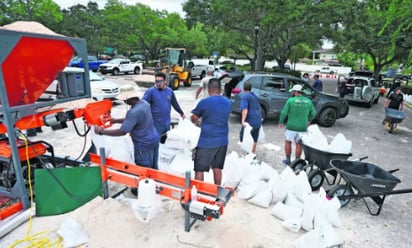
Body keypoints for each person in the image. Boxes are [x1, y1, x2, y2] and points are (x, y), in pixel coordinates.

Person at [94, 94, 160, 170]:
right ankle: (156, 181)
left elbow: (122, 131)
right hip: (154, 139)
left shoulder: (133, 112)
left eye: (124, 100)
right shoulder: (144, 104)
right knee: (154, 167)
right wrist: (115, 120)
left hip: (143, 145)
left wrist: (101, 132)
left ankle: (148, 181)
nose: (124, 102)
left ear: (129, 98)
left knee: (144, 170)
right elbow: (132, 120)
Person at [191, 78, 231, 185]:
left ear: (209, 89)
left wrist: (198, 122)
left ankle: (199, 193)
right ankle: (216, 191)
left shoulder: (204, 102)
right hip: (222, 141)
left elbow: (194, 117)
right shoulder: (228, 102)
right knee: (217, 168)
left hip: (207, 141)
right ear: (220, 89)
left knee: (199, 168)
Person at [143, 71, 185, 144]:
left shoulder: (169, 91)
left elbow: (175, 103)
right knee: (155, 143)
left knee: (165, 143)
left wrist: (181, 113)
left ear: (165, 81)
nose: (158, 83)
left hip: (166, 123)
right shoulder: (150, 92)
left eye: (160, 81)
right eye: (156, 81)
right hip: (155, 124)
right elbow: (142, 104)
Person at [278, 84, 316, 166]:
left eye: (293, 92)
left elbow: (284, 112)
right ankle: (296, 162)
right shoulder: (308, 102)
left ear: (295, 92)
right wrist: (309, 120)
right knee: (299, 144)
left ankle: (288, 161)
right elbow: (314, 113)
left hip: (291, 126)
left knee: (288, 142)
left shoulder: (290, 101)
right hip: (302, 127)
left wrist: (281, 121)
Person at [240, 81, 262, 155]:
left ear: (243, 88)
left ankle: (249, 154)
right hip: (258, 120)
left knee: (244, 137)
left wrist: (243, 121)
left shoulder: (245, 97)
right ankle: (252, 155)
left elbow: (245, 109)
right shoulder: (254, 96)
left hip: (250, 121)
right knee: (254, 138)